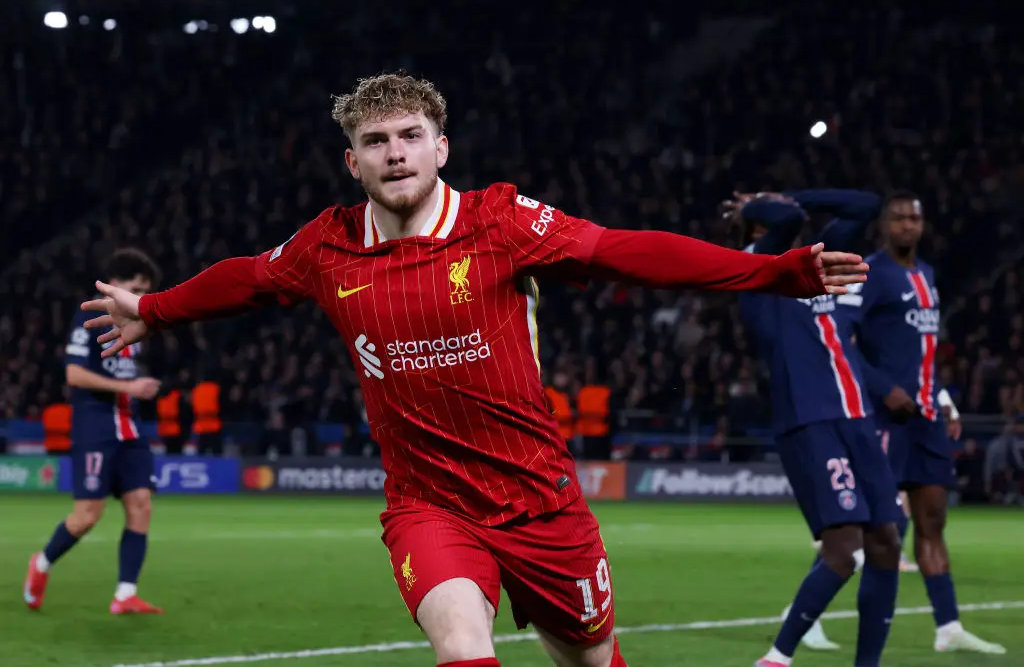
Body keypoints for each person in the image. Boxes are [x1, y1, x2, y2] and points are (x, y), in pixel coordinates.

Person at [79, 73, 866, 667]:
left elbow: (627, 251)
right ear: (352, 162)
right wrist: (150, 311)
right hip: (431, 505)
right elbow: (247, 277)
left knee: (594, 658)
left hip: (540, 503)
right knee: (463, 647)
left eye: (410, 136)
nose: (395, 153)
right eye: (377, 142)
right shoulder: (328, 246)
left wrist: (775, 271)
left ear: (440, 147)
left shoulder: (500, 222)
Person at [728, 191, 902, 667]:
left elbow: (866, 206)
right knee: (843, 551)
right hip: (810, 420)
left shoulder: (815, 265)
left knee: (886, 540)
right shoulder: (756, 272)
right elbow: (784, 217)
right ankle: (777, 658)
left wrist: (792, 198)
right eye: (764, 223)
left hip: (855, 417)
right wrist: (759, 206)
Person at [841, 191, 1005, 655]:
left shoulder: (928, 276)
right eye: (899, 218)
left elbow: (925, 352)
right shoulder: (870, 273)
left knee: (932, 522)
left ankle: (947, 626)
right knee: (874, 532)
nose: (908, 225)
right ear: (885, 225)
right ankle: (806, 617)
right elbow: (840, 338)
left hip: (929, 420)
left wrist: (946, 399)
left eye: (915, 217)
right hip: (887, 419)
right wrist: (881, 388)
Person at [24, 248, 164, 615]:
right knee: (88, 516)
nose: (138, 296)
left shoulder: (136, 324)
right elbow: (74, 375)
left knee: (141, 505)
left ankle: (125, 594)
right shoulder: (89, 317)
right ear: (114, 285)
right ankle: (41, 563)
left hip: (129, 429)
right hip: (95, 427)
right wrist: (130, 389)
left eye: (144, 291)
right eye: (135, 287)